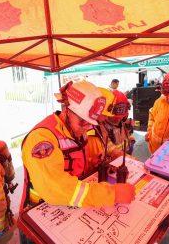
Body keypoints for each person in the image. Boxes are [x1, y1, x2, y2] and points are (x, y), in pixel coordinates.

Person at [21, 81, 135, 210]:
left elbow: (74, 164)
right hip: (42, 209)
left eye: (92, 122)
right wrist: (112, 194)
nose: (88, 127)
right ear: (67, 109)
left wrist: (95, 163)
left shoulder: (77, 130)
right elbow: (54, 188)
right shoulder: (41, 139)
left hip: (68, 205)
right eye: (83, 121)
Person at [87, 89, 135, 171]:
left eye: (121, 117)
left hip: (123, 167)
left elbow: (129, 141)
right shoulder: (95, 131)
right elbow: (94, 161)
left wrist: (131, 141)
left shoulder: (126, 124)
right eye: (115, 117)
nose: (118, 120)